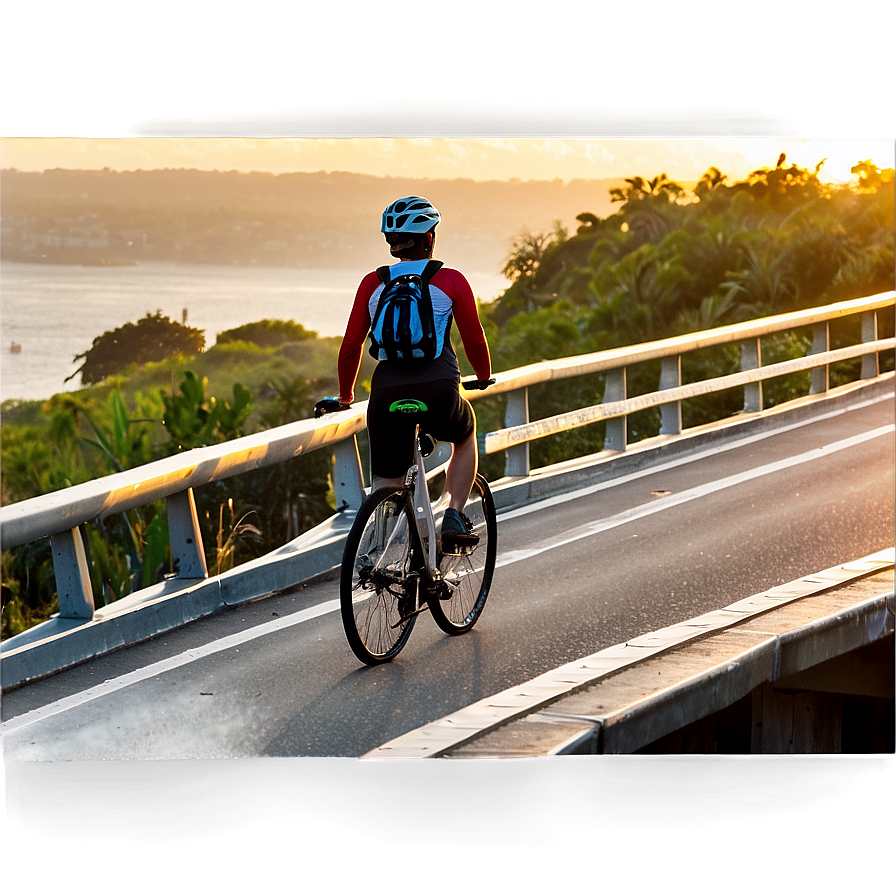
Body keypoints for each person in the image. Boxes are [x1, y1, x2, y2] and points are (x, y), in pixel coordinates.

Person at [335, 196, 492, 547]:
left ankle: (380, 553)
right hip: (439, 389)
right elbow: (474, 337)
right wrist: (482, 375)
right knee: (464, 436)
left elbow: (350, 347)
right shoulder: (450, 280)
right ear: (430, 237)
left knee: (388, 483)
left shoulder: (372, 284)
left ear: (393, 244)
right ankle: (453, 512)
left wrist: (346, 396)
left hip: (385, 392)